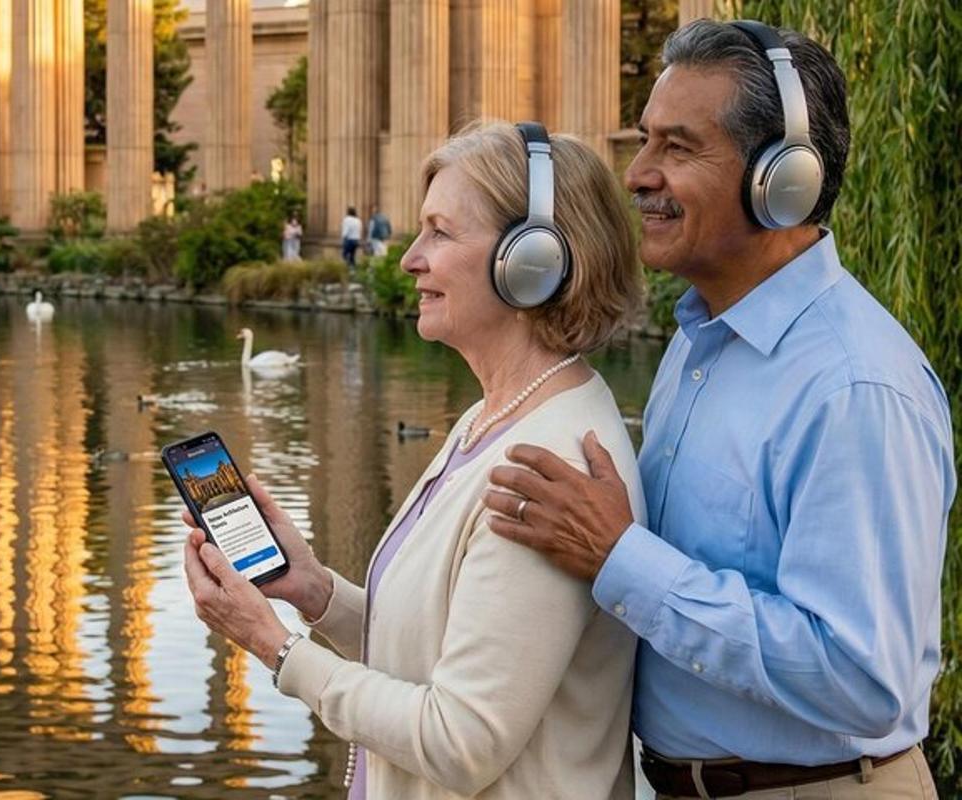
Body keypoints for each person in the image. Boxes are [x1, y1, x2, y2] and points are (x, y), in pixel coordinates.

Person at [483, 19, 956, 800]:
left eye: (677, 147)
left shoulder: (854, 387)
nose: (636, 174)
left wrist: (621, 558)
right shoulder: (700, 344)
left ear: (783, 178)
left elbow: (865, 676)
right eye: (644, 142)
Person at [185, 121, 647, 799]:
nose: (409, 258)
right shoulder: (493, 417)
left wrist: (275, 647)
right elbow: (441, 650)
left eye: (441, 231)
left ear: (533, 260)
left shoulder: (547, 468)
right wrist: (315, 593)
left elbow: (461, 741)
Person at [340, 205, 362, 270]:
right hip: (356, 240)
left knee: (344, 255)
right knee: (352, 255)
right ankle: (353, 269)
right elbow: (359, 229)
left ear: (348, 212)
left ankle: (348, 267)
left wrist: (343, 237)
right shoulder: (358, 220)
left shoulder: (347, 219)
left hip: (349, 239)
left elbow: (346, 230)